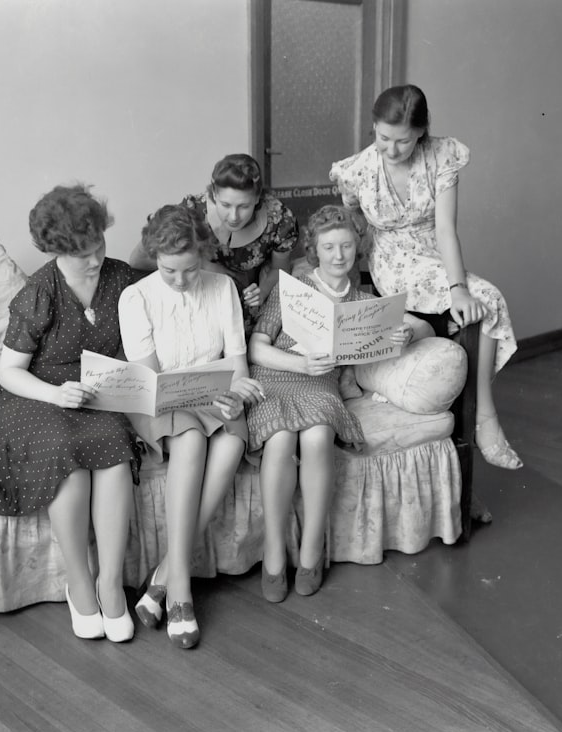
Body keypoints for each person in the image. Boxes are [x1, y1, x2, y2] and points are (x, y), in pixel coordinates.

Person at [0, 184, 147, 643]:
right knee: (65, 453)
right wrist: (55, 395)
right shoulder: (40, 291)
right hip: (36, 395)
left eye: (99, 247)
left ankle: (110, 583)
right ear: (56, 250)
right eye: (82, 255)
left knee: (115, 445)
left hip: (95, 393)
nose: (95, 260)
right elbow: (10, 371)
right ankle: (79, 584)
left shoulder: (123, 279)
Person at [330, 83, 523, 470]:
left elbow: (446, 229)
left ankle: (485, 417)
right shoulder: (356, 170)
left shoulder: (442, 156)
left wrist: (458, 287)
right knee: (479, 304)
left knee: (488, 300)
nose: (392, 149)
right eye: (383, 137)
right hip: (391, 259)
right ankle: (484, 418)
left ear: (421, 131)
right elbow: (351, 222)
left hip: (433, 255)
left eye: (402, 141)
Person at [246, 205, 431, 602]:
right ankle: (274, 553)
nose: (338, 255)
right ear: (315, 248)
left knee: (316, 438)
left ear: (356, 247)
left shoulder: (363, 301)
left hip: (321, 387)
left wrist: (407, 336)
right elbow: (256, 348)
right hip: (277, 377)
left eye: (346, 246)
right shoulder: (293, 288)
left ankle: (312, 550)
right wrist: (301, 363)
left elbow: (423, 324)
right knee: (279, 442)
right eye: (329, 247)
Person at [119, 203, 265, 649]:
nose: (181, 281)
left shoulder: (223, 288)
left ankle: (164, 573)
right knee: (189, 437)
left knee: (230, 443)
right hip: (160, 402)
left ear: (203, 254)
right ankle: (180, 590)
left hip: (214, 393)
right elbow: (153, 383)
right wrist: (202, 397)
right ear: (154, 258)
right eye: (169, 271)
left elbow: (239, 368)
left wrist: (234, 394)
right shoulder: (136, 297)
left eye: (189, 269)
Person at [128, 153, 298, 339]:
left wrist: (261, 292)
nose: (234, 216)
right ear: (214, 194)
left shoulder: (279, 219)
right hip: (200, 294)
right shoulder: (192, 210)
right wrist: (203, 265)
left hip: (248, 300)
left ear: (257, 198)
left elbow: (280, 269)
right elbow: (139, 259)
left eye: (244, 206)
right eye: (225, 204)